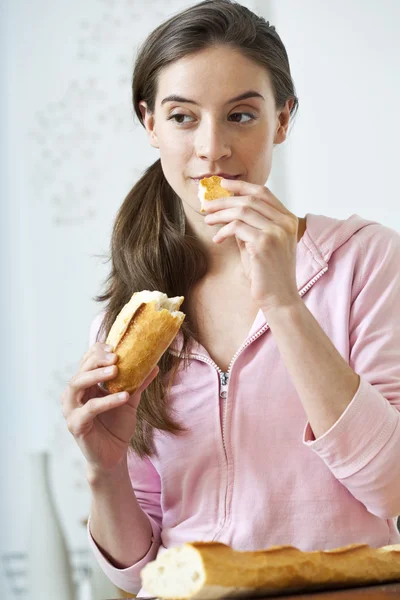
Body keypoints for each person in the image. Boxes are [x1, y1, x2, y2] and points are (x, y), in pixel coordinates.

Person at [61, 0, 400, 595]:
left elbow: (391, 487)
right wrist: (104, 470)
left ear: (283, 120)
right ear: (150, 124)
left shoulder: (366, 262)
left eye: (241, 115)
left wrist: (286, 305)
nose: (212, 148)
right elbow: (140, 578)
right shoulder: (128, 320)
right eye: (183, 117)